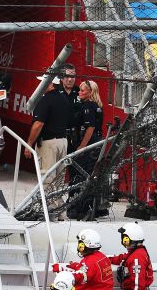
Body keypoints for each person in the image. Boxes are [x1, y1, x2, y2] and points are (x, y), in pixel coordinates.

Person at [25, 74, 70, 217]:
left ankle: (49, 211)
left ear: (50, 84)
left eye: (43, 83)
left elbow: (38, 124)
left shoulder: (45, 100)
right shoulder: (64, 99)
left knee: (47, 179)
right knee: (60, 179)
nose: (40, 86)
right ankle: (61, 212)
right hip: (63, 142)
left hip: (49, 143)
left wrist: (29, 143)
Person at [68, 80, 104, 220]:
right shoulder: (97, 106)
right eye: (80, 90)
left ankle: (78, 208)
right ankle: (91, 207)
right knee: (90, 176)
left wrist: (82, 146)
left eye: (83, 90)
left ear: (90, 92)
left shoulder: (88, 106)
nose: (79, 92)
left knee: (79, 175)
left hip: (89, 147)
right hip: (96, 145)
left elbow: (90, 127)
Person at [108, 223, 153, 290]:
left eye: (124, 238)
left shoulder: (137, 258)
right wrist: (107, 259)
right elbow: (123, 258)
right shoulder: (137, 251)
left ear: (129, 239)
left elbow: (138, 286)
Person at [57, 63, 81, 152]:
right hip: (58, 135)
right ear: (62, 77)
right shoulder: (55, 92)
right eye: (67, 76)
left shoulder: (79, 92)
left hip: (75, 136)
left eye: (73, 76)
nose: (70, 79)